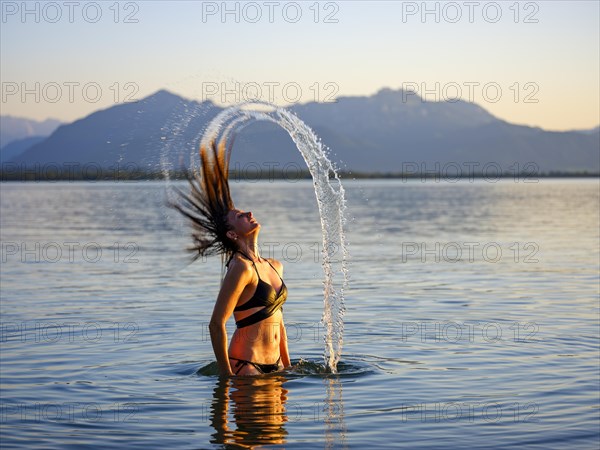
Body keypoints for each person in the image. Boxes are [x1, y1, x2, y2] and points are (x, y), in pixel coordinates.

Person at [171, 139, 291, 376]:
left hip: (276, 367)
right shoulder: (241, 268)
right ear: (232, 233)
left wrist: (288, 368)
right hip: (247, 366)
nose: (249, 213)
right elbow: (216, 323)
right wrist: (227, 376)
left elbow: (280, 323)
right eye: (239, 216)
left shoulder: (275, 266)